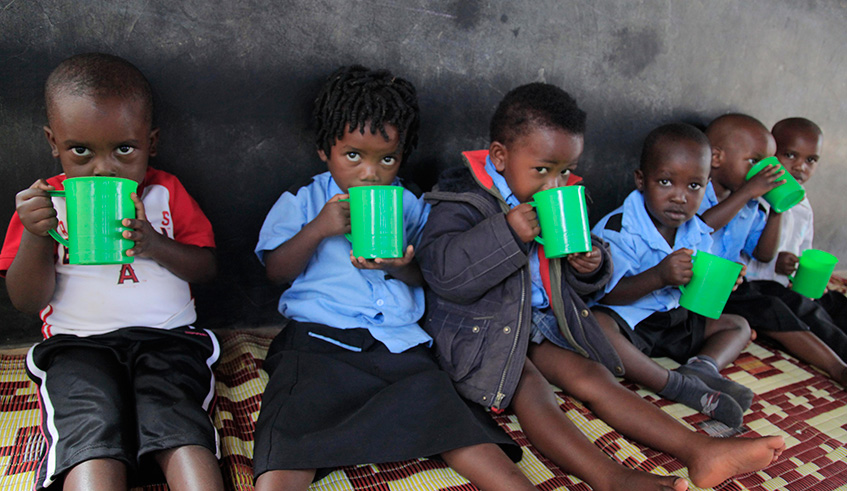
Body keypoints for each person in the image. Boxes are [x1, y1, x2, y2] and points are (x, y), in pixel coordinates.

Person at [417, 83, 785, 491]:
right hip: (480, 330)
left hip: (541, 322)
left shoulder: (559, 198)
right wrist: (508, 232)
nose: (555, 186)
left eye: (564, 171)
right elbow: (443, 274)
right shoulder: (461, 200)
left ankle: (701, 450)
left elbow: (579, 281)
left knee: (594, 377)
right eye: (542, 170)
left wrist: (591, 265)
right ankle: (613, 478)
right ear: (500, 157)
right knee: (534, 392)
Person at [252, 65, 534, 491]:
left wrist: (397, 265)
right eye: (353, 156)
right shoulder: (305, 200)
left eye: (387, 159)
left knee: (449, 410)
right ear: (324, 150)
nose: (371, 173)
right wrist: (319, 229)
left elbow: (425, 277)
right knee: (290, 426)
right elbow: (276, 271)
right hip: (319, 343)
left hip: (399, 345)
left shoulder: (410, 204)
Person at [0, 53, 223, 490]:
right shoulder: (44, 205)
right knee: (90, 432)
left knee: (178, 422)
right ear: (53, 143)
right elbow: (26, 300)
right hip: (76, 346)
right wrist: (36, 235)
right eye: (80, 151)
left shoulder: (166, 193)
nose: (103, 168)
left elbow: (207, 268)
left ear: (150, 143)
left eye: (124, 149)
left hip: (169, 340)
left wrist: (153, 243)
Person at [591, 123, 754, 428]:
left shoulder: (697, 230)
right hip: (633, 324)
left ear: (706, 186)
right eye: (666, 182)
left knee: (738, 325)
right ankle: (674, 385)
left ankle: (703, 367)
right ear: (641, 180)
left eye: (694, 186)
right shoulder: (618, 229)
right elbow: (604, 293)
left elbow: (697, 289)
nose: (680, 197)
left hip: (676, 320)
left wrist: (722, 283)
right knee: (597, 325)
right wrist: (658, 276)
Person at [699, 113, 847, 387]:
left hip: (734, 285)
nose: (762, 172)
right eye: (754, 162)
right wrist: (748, 192)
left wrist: (778, 207)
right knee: (774, 307)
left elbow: (763, 253)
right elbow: (701, 227)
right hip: (704, 288)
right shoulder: (696, 191)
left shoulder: (752, 206)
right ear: (716, 158)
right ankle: (838, 368)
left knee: (829, 302)